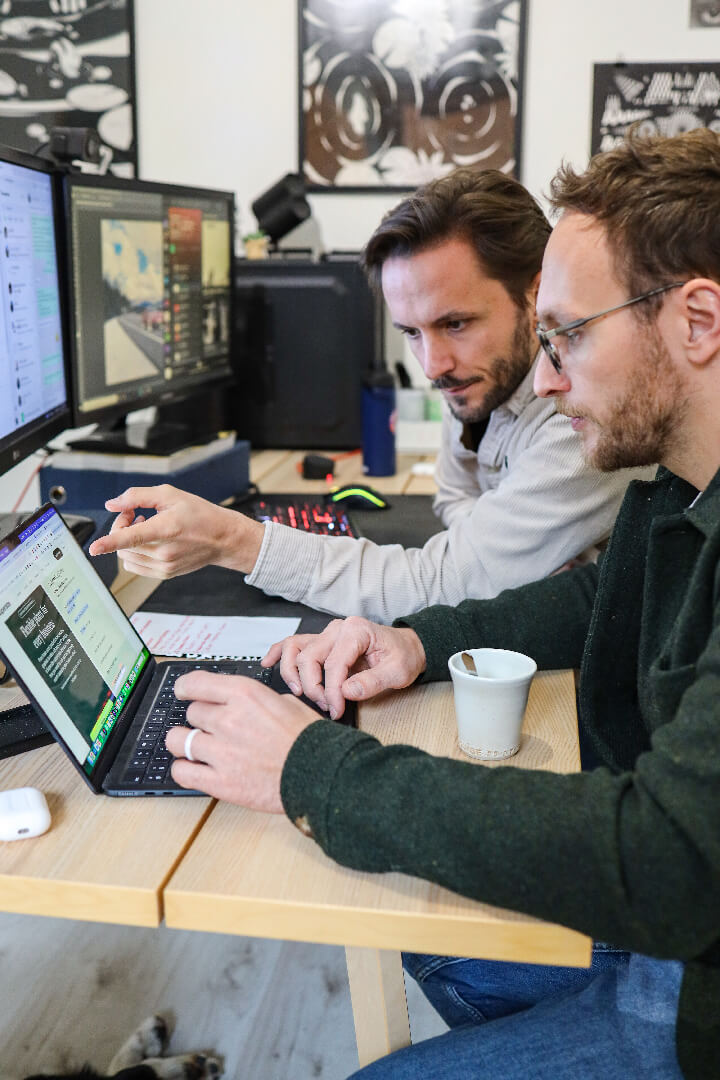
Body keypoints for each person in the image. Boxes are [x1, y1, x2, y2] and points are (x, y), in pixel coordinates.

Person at [158, 128, 720, 1079]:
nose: (544, 378)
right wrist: (419, 644)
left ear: (698, 321)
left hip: (689, 983)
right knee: (413, 918)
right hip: (673, 915)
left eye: (568, 335)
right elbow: (598, 604)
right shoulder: (676, 483)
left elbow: (668, 861)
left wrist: (314, 771)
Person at [88, 169, 649, 624]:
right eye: (411, 332)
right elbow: (452, 495)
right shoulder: (485, 375)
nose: (433, 365)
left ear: (536, 293)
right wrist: (501, 548)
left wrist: (230, 539)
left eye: (455, 323)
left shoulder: (582, 411)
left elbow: (441, 584)